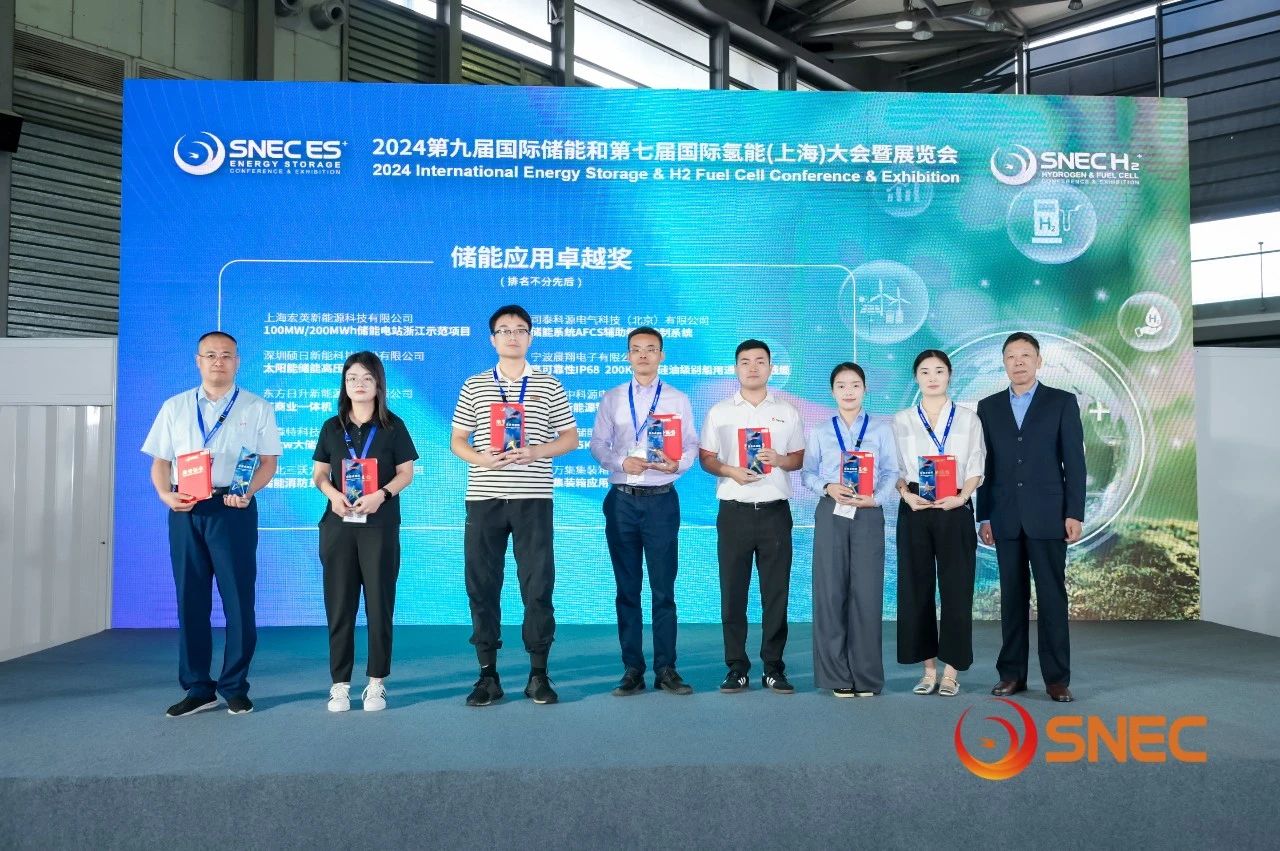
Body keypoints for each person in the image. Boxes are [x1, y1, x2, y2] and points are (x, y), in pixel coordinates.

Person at [142, 331, 281, 717]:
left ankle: (235, 686)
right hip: (186, 508)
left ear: (238, 361)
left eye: (226, 355)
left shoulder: (257, 407)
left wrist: (247, 490)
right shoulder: (175, 406)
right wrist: (165, 495)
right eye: (211, 355)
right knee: (190, 599)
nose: (219, 361)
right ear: (198, 361)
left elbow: (268, 462)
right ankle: (198, 687)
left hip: (233, 508)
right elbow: (160, 462)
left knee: (238, 600)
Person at [449, 305, 578, 706]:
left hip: (532, 498)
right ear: (493, 339)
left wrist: (536, 450)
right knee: (482, 585)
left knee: (537, 586)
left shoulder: (549, 384)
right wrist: (481, 459)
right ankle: (487, 675)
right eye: (504, 330)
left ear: (530, 337)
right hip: (484, 498)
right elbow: (457, 441)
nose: (512, 336)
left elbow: (570, 438)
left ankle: (538, 674)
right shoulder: (474, 385)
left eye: (520, 329)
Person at [589, 327, 699, 696]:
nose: (643, 355)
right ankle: (632, 669)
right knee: (627, 589)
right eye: (636, 349)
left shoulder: (678, 399)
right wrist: (621, 461)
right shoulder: (613, 398)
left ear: (661, 355)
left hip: (661, 501)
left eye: (651, 349)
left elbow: (691, 444)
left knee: (663, 589)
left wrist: (677, 464)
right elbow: (597, 445)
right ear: (628, 356)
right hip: (622, 500)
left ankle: (666, 668)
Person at [977, 332, 1086, 703]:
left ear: (1039, 361)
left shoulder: (1061, 402)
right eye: (1011, 356)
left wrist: (1074, 512)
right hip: (1004, 516)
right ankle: (1012, 675)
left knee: (1052, 598)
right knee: (1012, 599)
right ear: (1004, 363)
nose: (1019, 361)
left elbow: (1074, 462)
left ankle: (1056, 679)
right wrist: (984, 516)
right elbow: (985, 466)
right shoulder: (989, 407)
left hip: (1049, 516)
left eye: (1026, 355)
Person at [311, 351, 418, 712]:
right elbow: (319, 474)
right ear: (344, 384)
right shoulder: (331, 427)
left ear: (378, 385)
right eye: (352, 378)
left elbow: (406, 473)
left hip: (379, 527)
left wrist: (380, 495)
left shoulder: (393, 426)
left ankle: (376, 683)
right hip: (339, 526)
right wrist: (333, 495)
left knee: (378, 604)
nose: (359, 384)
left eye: (367, 378)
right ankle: (339, 684)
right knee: (339, 606)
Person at [699, 339, 805, 695]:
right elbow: (706, 458)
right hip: (734, 512)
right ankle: (736, 668)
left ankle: (773, 667)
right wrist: (730, 470)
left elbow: (798, 458)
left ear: (771, 368)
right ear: (736, 368)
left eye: (760, 361)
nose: (753, 367)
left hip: (775, 513)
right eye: (745, 361)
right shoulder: (720, 412)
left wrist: (780, 460)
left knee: (776, 594)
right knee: (733, 594)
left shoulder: (787, 411)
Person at [801, 362, 899, 697]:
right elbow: (807, 473)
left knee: (867, 594)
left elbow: (891, 471)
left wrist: (876, 499)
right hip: (832, 511)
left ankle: (866, 677)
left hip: (868, 512)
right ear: (832, 391)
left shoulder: (881, 429)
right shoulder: (820, 430)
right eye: (841, 386)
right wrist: (827, 486)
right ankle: (836, 676)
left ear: (865, 389)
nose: (848, 391)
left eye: (855, 385)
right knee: (830, 593)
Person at [892, 350, 985, 697]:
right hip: (915, 506)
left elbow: (976, 465)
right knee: (915, 589)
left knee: (957, 589)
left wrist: (962, 497)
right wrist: (905, 494)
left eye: (939, 371)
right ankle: (928, 669)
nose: (932, 377)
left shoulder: (968, 419)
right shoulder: (901, 420)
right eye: (925, 371)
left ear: (949, 375)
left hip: (954, 505)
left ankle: (951, 672)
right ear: (916, 377)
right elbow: (894, 469)